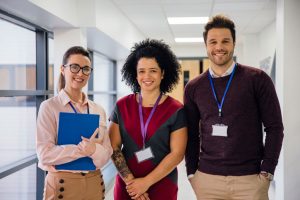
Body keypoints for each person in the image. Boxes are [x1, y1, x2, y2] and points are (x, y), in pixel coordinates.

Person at [184, 14, 284, 200]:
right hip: (207, 180)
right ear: (206, 45)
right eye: (213, 41)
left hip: (250, 180)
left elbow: (275, 128)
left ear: (234, 43)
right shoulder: (194, 87)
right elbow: (191, 134)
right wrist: (192, 173)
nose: (219, 47)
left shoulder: (257, 79)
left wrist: (267, 171)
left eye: (225, 41)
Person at [109, 39, 187, 200]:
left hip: (162, 184)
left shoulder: (176, 109)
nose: (147, 76)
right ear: (135, 74)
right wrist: (132, 183)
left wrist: (145, 183)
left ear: (163, 73)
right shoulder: (122, 106)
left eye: (153, 70)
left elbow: (177, 153)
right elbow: (113, 147)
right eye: (142, 71)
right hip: (127, 186)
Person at [36, 46, 112, 200]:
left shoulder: (98, 110)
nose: (80, 73)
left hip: (94, 183)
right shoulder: (50, 107)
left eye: (86, 69)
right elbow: (44, 155)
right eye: (74, 67)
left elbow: (107, 153)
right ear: (63, 69)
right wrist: (82, 150)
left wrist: (95, 150)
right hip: (62, 185)